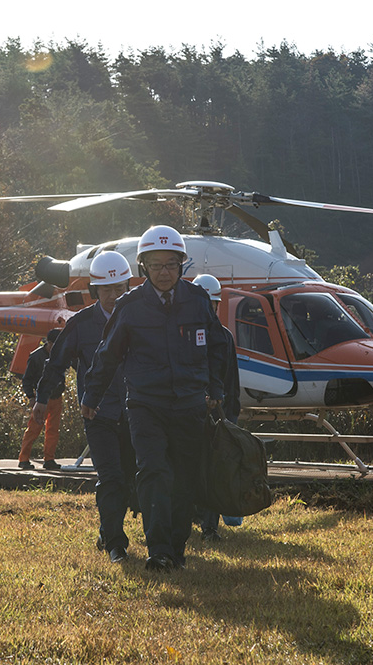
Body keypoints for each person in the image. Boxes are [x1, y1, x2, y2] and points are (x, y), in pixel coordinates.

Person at [81, 225, 229, 571]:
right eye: (156, 265)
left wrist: (215, 391)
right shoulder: (130, 306)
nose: (164, 272)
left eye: (171, 264)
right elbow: (108, 353)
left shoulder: (197, 301)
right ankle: (159, 549)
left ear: (182, 265)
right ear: (142, 267)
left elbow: (218, 348)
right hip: (146, 405)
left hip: (189, 403)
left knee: (184, 475)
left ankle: (176, 548)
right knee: (153, 471)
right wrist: (93, 395)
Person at [33, 250, 137, 563]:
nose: (114, 296)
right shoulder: (81, 324)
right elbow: (56, 363)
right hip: (98, 414)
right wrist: (41, 399)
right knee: (111, 478)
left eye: (120, 289)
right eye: (107, 290)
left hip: (136, 413)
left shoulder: (138, 320)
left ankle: (108, 530)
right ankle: (116, 545)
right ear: (96, 291)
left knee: (133, 476)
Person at [191, 273, 243, 540]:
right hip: (186, 414)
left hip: (217, 416)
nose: (207, 311)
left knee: (213, 470)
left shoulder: (224, 337)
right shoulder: (183, 334)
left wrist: (231, 416)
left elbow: (231, 380)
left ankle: (209, 526)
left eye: (211, 305)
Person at [17, 328, 63, 470]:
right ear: (49, 343)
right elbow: (27, 380)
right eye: (56, 344)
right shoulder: (35, 357)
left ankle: (49, 459)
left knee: (53, 431)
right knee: (33, 430)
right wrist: (31, 397)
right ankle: (23, 459)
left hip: (57, 398)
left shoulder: (61, 354)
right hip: (41, 400)